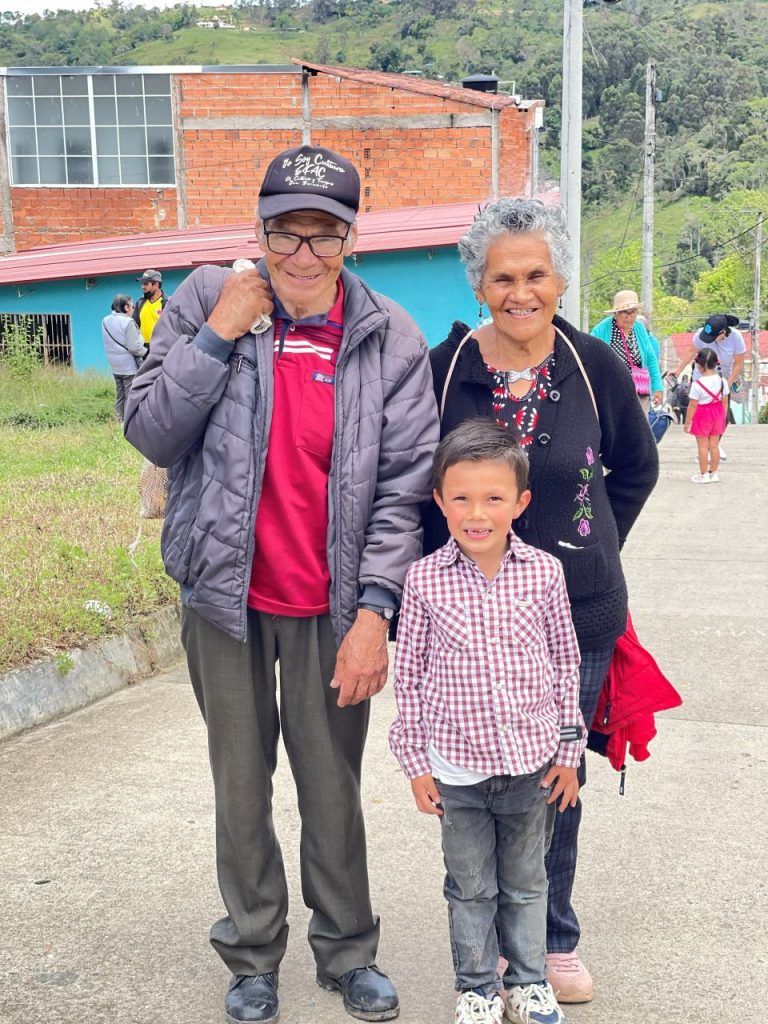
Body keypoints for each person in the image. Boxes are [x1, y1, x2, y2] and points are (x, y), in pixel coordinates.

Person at [124, 144, 440, 1024]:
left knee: (331, 785)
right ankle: (253, 953)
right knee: (240, 780)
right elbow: (152, 432)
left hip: (331, 607)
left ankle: (346, 952)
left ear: (349, 239)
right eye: (283, 233)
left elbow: (403, 490)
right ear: (258, 230)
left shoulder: (390, 337)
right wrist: (222, 331)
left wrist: (377, 610)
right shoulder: (199, 301)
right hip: (223, 596)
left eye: (323, 235)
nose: (301, 254)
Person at [424, 198, 659, 1005]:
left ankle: (553, 937)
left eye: (536, 275)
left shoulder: (593, 364)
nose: (520, 291)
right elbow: (422, 489)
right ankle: (490, 947)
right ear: (479, 285)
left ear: (559, 279)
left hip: (578, 622)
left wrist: (591, 554)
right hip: (468, 625)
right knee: (477, 787)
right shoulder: (447, 372)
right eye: (503, 277)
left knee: (553, 781)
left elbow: (635, 469)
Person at [390, 419, 585, 1024]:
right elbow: (411, 676)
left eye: (494, 498)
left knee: (528, 884)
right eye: (462, 498)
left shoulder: (544, 574)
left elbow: (565, 663)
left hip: (531, 767)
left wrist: (568, 755)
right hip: (457, 770)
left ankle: (529, 983)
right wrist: (416, 763)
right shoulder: (423, 580)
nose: (477, 513)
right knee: (469, 886)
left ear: (520, 503)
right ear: (440, 501)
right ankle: (476, 987)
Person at [672, 313, 746, 460]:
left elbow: (738, 364)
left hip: (723, 380)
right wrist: (678, 369)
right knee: (701, 415)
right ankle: (705, 448)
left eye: (712, 337)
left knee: (721, 416)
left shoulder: (736, 338)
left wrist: (727, 384)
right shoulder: (702, 334)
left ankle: (714, 445)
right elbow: (691, 351)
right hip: (702, 379)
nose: (709, 340)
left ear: (723, 333)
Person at [590, 290, 664, 409]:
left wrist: (657, 387)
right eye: (625, 313)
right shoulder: (601, 330)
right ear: (616, 313)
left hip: (639, 391)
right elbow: (591, 360)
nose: (629, 317)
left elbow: (651, 359)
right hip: (612, 393)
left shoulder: (639, 328)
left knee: (639, 426)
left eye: (633, 312)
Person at [684, 347, 728, 484]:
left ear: (699, 366)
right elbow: (725, 401)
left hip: (702, 415)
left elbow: (692, 405)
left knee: (702, 446)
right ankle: (714, 473)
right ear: (716, 363)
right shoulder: (722, 381)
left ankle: (703, 475)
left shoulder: (697, 385)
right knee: (714, 445)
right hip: (718, 413)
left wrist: (687, 423)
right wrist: (722, 417)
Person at [101, 293, 145, 420]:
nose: (133, 310)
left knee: (120, 395)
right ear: (126, 307)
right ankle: (128, 422)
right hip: (128, 366)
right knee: (130, 394)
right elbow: (134, 347)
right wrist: (145, 351)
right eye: (132, 307)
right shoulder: (128, 322)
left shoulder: (105, 320)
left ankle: (118, 418)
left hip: (115, 365)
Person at [133, 269, 167, 350]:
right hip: (144, 350)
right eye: (142, 284)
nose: (142, 287)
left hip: (162, 348)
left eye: (145, 284)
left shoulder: (168, 304)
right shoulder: (140, 303)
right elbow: (134, 327)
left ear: (156, 285)